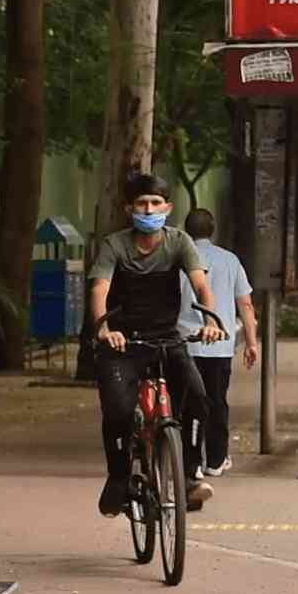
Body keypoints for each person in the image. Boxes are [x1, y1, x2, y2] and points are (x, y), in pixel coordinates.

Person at [87, 174, 225, 518]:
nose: (148, 209)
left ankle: (190, 476)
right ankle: (119, 477)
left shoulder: (179, 243)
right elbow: (99, 289)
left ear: (167, 207)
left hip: (166, 337)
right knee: (118, 411)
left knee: (197, 397)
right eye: (141, 204)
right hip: (122, 341)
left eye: (155, 203)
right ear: (129, 209)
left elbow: (201, 285)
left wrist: (210, 320)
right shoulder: (114, 245)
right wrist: (104, 329)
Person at [176, 209, 260, 478]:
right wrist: (250, 342)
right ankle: (216, 459)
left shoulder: (178, 260)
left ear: (186, 230)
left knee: (189, 404)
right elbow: (245, 304)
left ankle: (191, 463)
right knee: (216, 401)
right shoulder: (230, 260)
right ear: (212, 229)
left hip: (185, 344)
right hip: (219, 345)